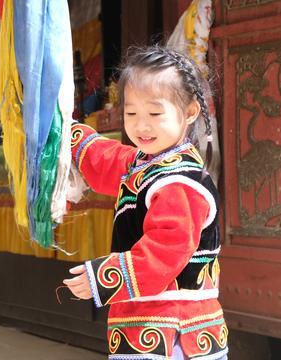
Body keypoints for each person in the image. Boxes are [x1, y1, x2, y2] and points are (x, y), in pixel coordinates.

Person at [62, 46, 228, 360]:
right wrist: (69, 135)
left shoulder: (180, 182)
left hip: (175, 330)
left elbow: (166, 249)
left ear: (190, 112)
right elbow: (109, 160)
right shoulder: (149, 163)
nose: (141, 126)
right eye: (131, 113)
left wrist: (103, 277)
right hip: (152, 321)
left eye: (154, 114)